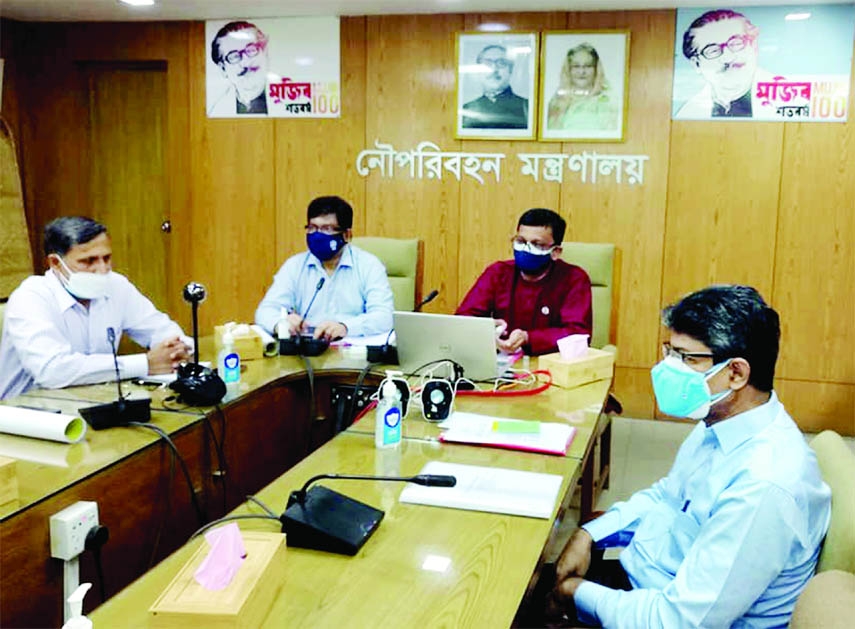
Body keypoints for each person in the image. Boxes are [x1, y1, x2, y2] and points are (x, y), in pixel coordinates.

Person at [548, 285, 831, 628]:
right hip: (651, 583)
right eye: (669, 351)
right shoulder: (722, 419)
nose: (667, 367)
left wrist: (576, 594)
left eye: (686, 358)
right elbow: (669, 497)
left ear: (736, 373)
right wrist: (589, 534)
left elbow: (678, 621)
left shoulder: (762, 485)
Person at [0, 217, 193, 400]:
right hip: (28, 414)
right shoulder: (31, 297)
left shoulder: (116, 285)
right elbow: (52, 371)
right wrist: (146, 364)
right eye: (88, 261)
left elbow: (160, 329)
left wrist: (178, 351)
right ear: (55, 263)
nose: (101, 270)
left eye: (106, 258)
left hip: (94, 401)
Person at [255, 196, 394, 341]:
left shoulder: (369, 265)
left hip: (352, 351)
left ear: (347, 235)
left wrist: (345, 327)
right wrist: (281, 323)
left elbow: (384, 317)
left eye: (326, 229)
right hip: (307, 350)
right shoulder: (295, 266)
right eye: (312, 228)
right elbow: (265, 310)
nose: (317, 235)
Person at [456, 208, 592, 356]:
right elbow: (463, 320)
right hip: (501, 361)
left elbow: (578, 334)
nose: (526, 249)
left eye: (537, 244)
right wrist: (486, 329)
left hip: (549, 364)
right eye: (520, 241)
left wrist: (528, 338)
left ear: (555, 252)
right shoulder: (498, 272)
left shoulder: (574, 278)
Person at [676, 9, 772, 119]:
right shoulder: (688, 112)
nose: (728, 57)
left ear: (754, 46)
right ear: (696, 64)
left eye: (736, 43)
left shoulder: (789, 99)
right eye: (713, 51)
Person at [547, 43, 619, 131]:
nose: (581, 72)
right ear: (568, 69)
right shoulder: (557, 102)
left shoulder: (609, 100)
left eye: (588, 66)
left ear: (596, 69)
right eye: (576, 66)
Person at [208, 20, 269, 116]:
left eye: (251, 50)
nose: (245, 62)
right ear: (223, 69)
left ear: (265, 52)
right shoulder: (218, 111)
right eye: (234, 56)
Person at [461, 44, 528, 129]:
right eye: (487, 63)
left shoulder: (527, 108)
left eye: (501, 63)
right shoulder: (467, 109)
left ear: (510, 70)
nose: (494, 69)